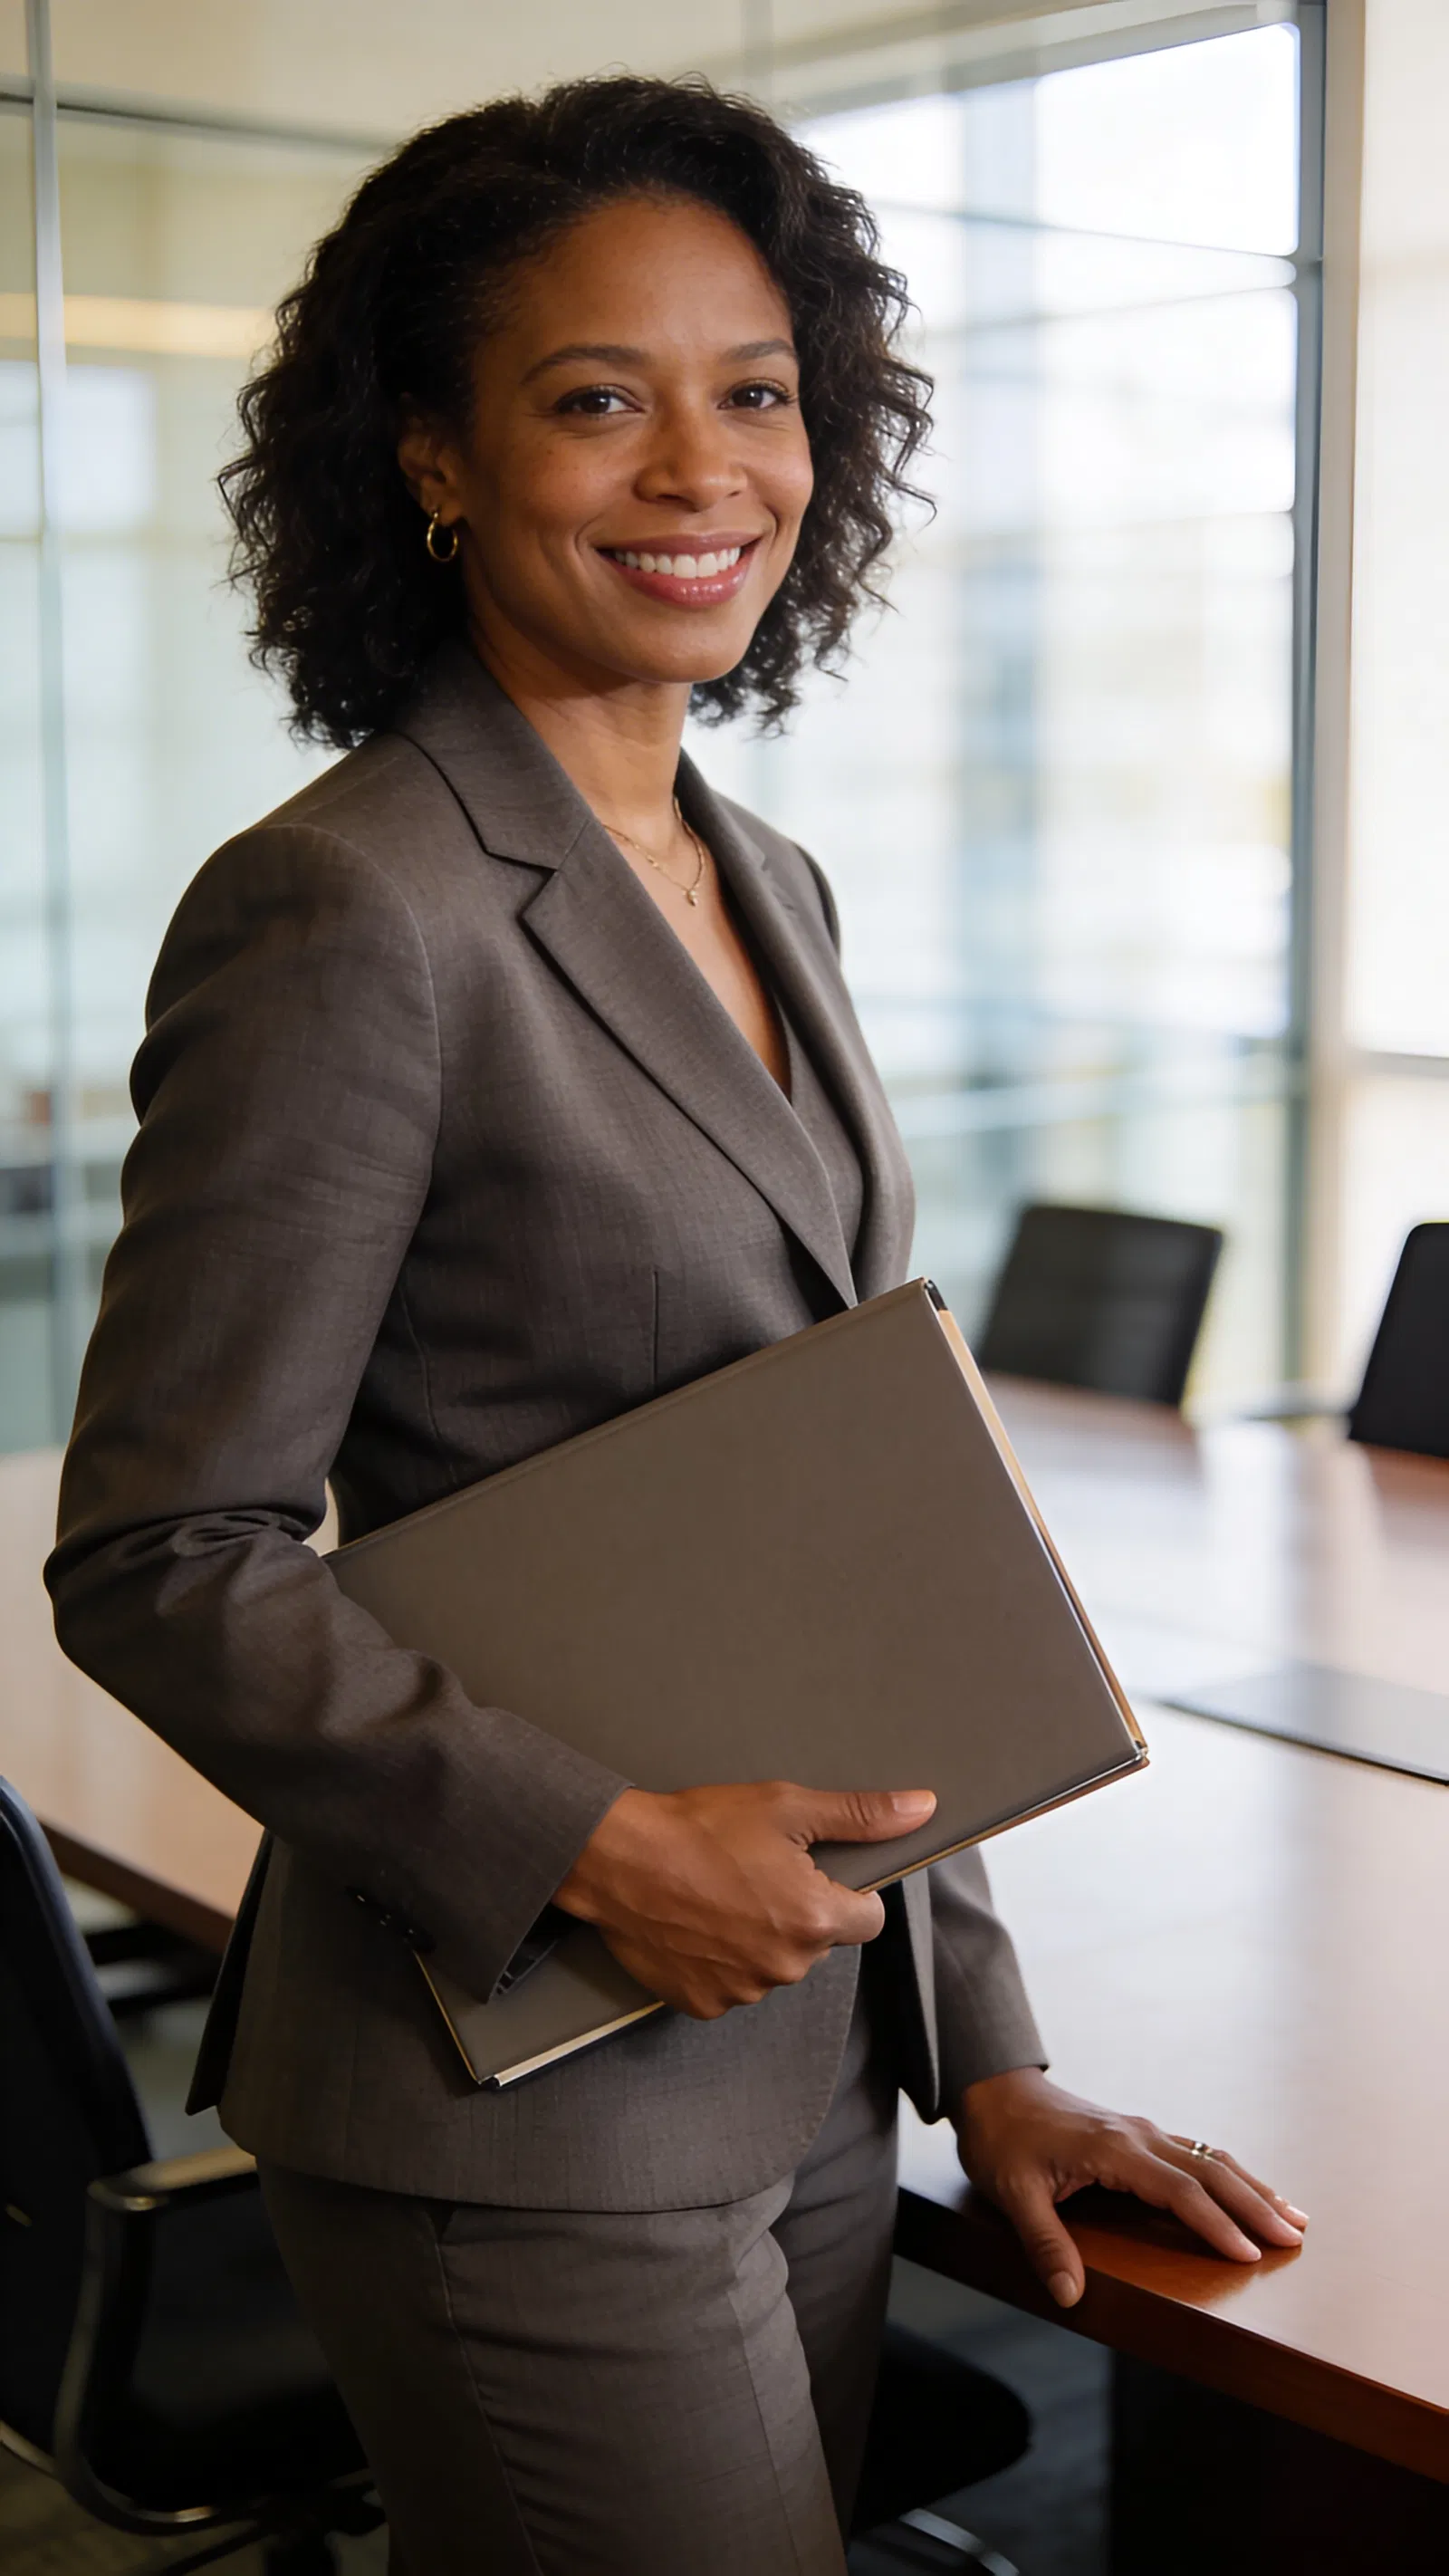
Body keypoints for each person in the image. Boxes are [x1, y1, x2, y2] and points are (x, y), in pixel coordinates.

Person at [45, 75, 1305, 2576]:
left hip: (808, 2049)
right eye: (596, 396)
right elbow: (161, 1550)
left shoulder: (773, 878)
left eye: (754, 389)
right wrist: (603, 1844)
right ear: (431, 456)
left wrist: (998, 2053)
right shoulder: (351, 909)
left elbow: (861, 1541)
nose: (695, 466)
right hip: (508, 2104)